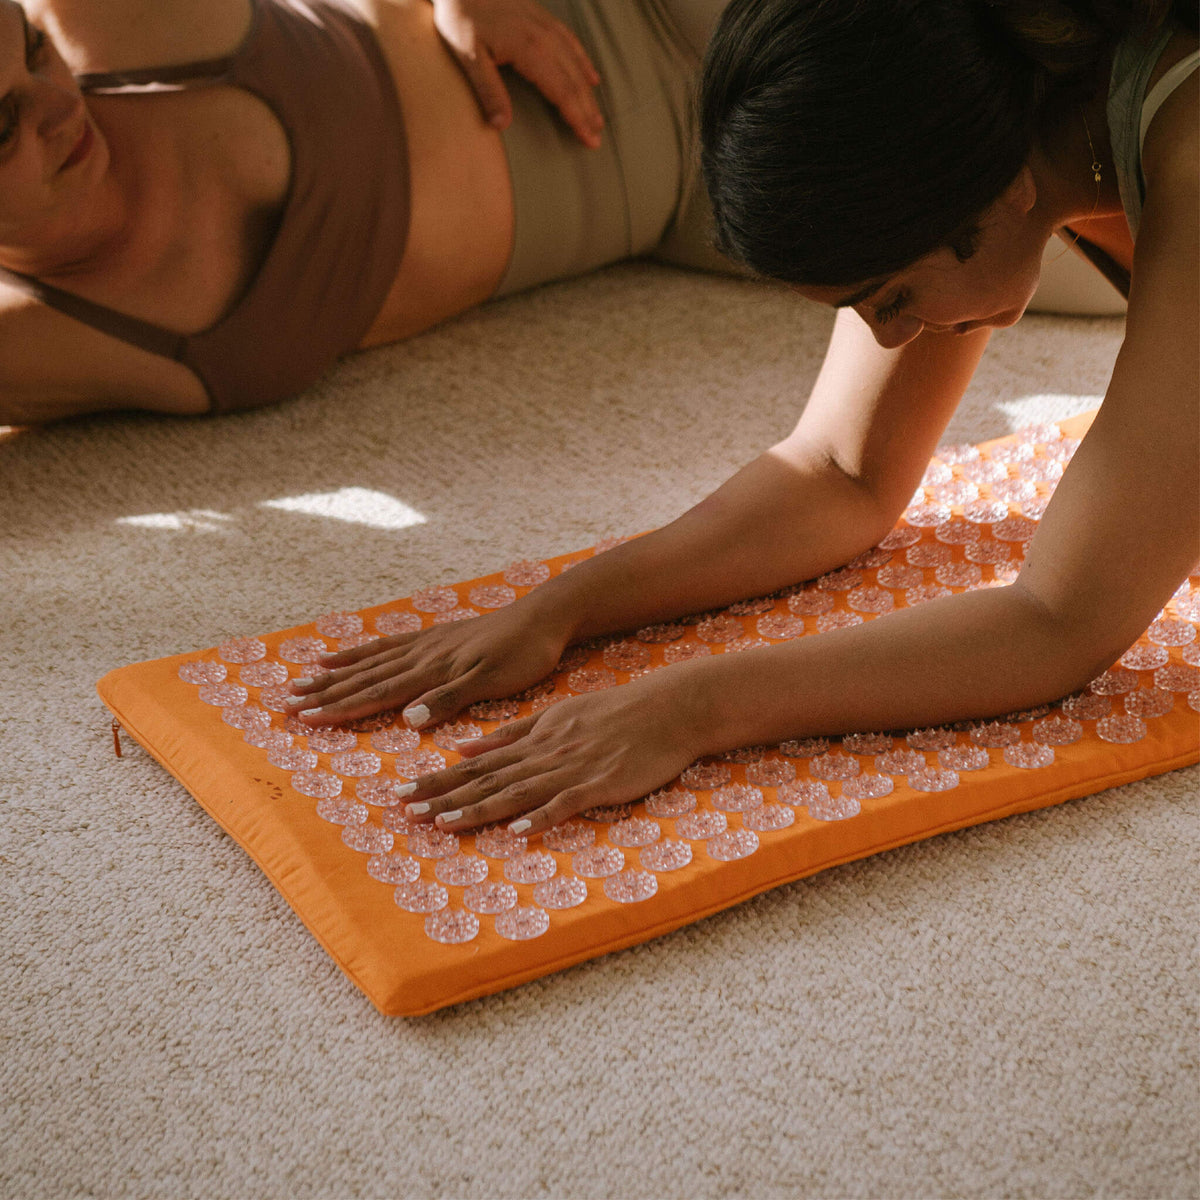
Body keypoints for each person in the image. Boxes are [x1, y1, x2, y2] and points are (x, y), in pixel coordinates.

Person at [288, 0, 1197, 837]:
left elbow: (1057, 622)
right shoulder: (1000, 90)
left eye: (894, 295)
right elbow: (840, 472)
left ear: (997, 191)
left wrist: (691, 708)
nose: (886, 338)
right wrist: (560, 611)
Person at [0, 0, 732, 424]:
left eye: (33, 49)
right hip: (701, 196)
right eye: (2, 124)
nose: (61, 105)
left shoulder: (97, 14)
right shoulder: (33, 342)